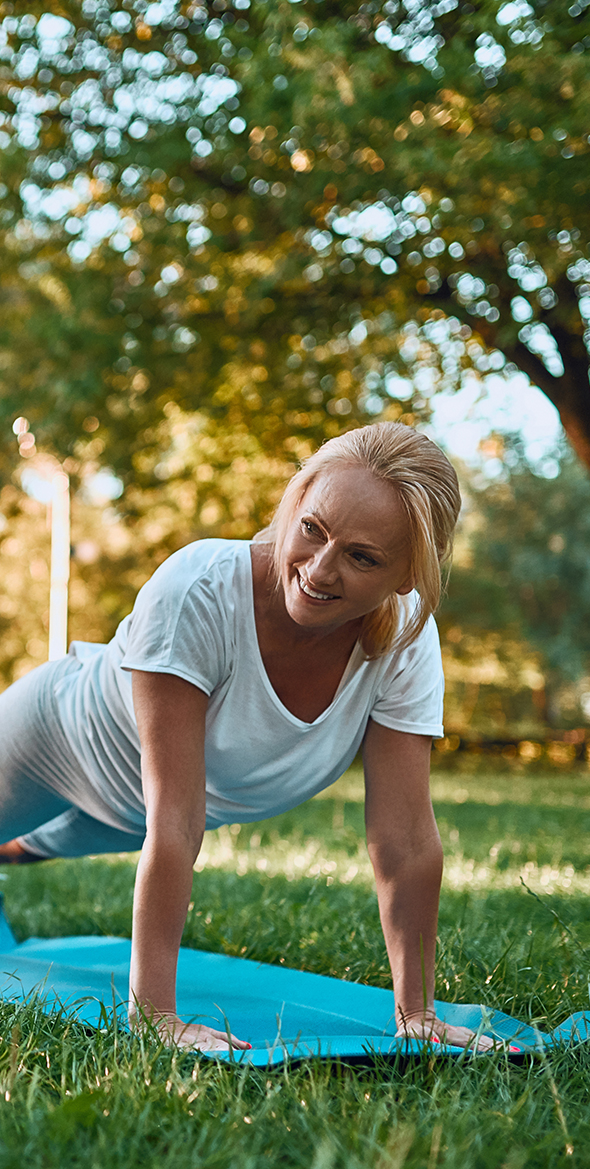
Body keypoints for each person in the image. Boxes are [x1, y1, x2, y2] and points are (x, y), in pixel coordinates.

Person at [0, 422, 493, 1052]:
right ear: (292, 505)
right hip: (59, 741)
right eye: (312, 529)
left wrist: (417, 1014)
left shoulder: (402, 643)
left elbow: (404, 840)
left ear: (407, 574)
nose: (319, 569)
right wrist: (156, 1017)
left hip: (136, 817)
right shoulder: (198, 589)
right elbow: (175, 820)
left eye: (362, 556)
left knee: (18, 848)